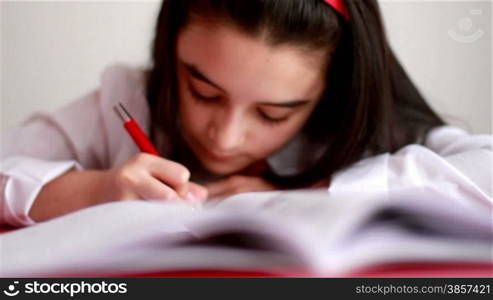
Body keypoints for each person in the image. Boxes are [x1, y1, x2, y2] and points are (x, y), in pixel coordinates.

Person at [1, 0, 491, 226]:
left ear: (331, 91)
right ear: (169, 47)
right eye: (203, 92)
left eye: (274, 114)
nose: (226, 137)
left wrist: (313, 194)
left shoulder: (362, 128)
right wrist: (94, 189)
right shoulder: (126, 99)